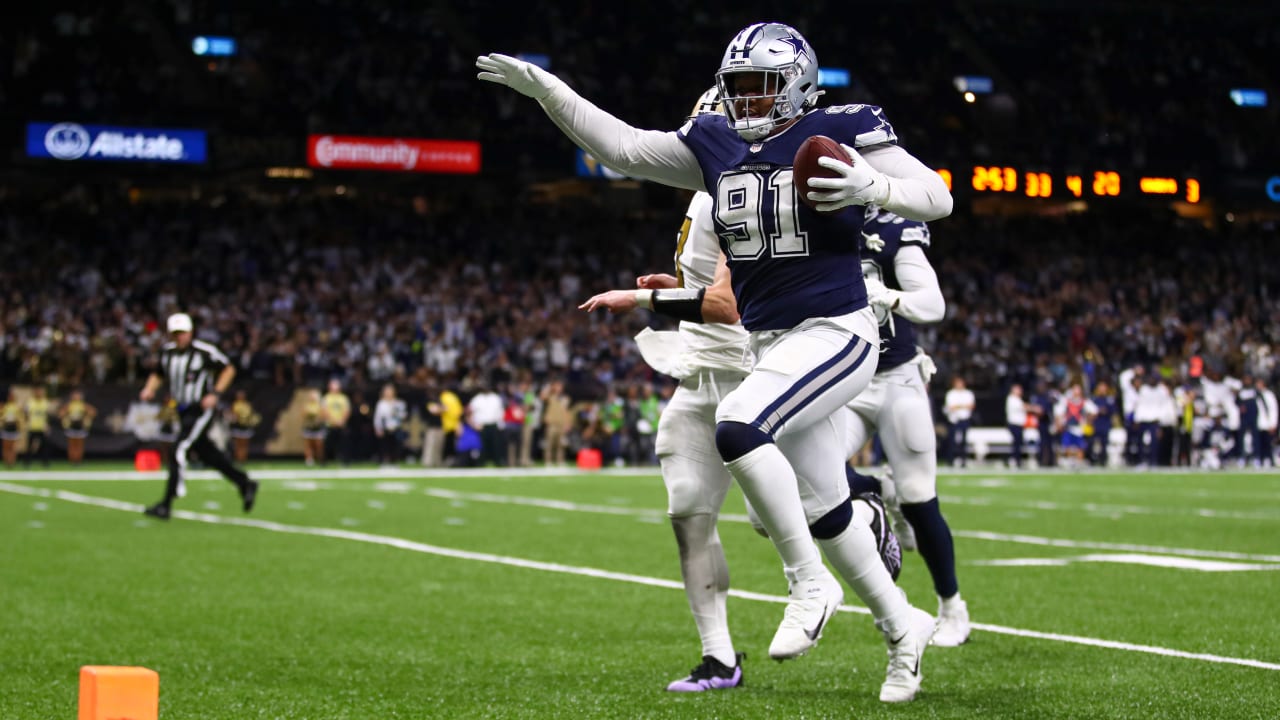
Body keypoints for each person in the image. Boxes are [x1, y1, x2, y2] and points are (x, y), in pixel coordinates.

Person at [552, 28, 952, 694]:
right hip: (770, 344)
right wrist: (546, 88)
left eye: (754, 88)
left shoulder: (838, 128)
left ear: (795, 84)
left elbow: (935, 195)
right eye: (732, 89)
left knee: (739, 425)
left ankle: (807, 585)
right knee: (827, 509)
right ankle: (901, 625)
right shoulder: (713, 156)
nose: (738, 104)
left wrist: (869, 183)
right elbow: (619, 146)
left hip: (834, 331)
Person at [838, 208, 970, 647]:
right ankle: (877, 489)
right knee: (810, 472)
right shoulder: (808, 223)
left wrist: (887, 295)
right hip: (843, 379)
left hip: (897, 379)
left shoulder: (893, 230)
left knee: (919, 497)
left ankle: (952, 607)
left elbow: (932, 305)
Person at [139, 313, 258, 520]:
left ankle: (166, 503)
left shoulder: (204, 352)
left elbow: (228, 369)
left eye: (182, 333)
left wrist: (216, 393)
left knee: (179, 448)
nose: (179, 337)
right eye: (175, 334)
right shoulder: (167, 353)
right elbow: (158, 373)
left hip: (201, 410)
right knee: (208, 455)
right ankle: (245, 483)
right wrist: (149, 389)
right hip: (182, 410)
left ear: (191, 332)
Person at [58, 389, 97, 465]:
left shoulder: (83, 405)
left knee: (79, 445)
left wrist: (86, 417)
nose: (76, 396)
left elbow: (93, 412)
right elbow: (61, 414)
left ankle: (78, 460)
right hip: (72, 426)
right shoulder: (69, 405)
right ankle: (72, 460)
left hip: (80, 426)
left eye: (78, 395)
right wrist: (67, 417)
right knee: (72, 444)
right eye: (75, 395)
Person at [942, 377, 974, 468]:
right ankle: (950, 460)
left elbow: (971, 406)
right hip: (954, 420)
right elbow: (951, 407)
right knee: (952, 441)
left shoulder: (968, 393)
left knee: (964, 441)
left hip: (964, 419)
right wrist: (963, 406)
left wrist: (958, 406)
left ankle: (963, 461)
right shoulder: (951, 394)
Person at [373, 383, 407, 466]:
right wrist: (378, 428)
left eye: (390, 391)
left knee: (396, 445)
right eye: (387, 391)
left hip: (396, 427)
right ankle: (385, 460)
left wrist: (396, 413)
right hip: (385, 427)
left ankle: (395, 461)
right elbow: (378, 417)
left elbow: (404, 415)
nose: (388, 393)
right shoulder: (381, 403)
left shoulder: (399, 403)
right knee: (384, 445)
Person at [321, 378, 351, 466]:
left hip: (341, 425)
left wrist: (342, 421)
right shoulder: (326, 398)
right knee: (327, 444)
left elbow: (347, 410)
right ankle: (324, 461)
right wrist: (333, 421)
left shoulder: (343, 398)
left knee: (344, 444)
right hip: (330, 425)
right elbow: (324, 411)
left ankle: (345, 461)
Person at [226, 389, 260, 463]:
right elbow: (231, 416)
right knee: (237, 445)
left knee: (244, 445)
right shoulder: (234, 404)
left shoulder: (248, 405)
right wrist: (233, 417)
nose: (240, 396)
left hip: (245, 427)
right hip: (237, 427)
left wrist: (251, 420)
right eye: (239, 395)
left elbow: (252, 415)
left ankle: (243, 459)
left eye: (242, 395)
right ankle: (237, 459)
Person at [23, 386, 52, 468]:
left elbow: (48, 415)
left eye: (41, 392)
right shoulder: (30, 402)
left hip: (42, 427)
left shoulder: (45, 402)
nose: (39, 393)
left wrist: (47, 425)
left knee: (44, 446)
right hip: (32, 427)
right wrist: (27, 422)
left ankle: (45, 463)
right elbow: (25, 413)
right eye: (38, 392)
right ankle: (27, 462)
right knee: (30, 446)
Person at [301, 388, 326, 466]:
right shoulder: (307, 405)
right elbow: (303, 415)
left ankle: (320, 459)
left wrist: (317, 416)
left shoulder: (320, 405)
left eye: (314, 396)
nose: (313, 397)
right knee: (308, 444)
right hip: (309, 427)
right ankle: (309, 460)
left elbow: (323, 415)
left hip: (317, 427)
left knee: (319, 444)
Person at [1255, 377, 1277, 467]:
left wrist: (1273, 423)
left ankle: (1270, 459)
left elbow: (1273, 410)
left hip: (1267, 424)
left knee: (1268, 443)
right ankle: (1260, 459)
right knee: (1259, 443)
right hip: (1258, 423)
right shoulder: (1255, 395)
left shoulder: (1269, 395)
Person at [1005, 384, 1027, 468]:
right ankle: (1015, 460)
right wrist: (1035, 408)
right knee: (1016, 443)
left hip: (1019, 424)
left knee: (1018, 443)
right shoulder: (1012, 399)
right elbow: (1023, 407)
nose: (1020, 391)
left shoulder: (1018, 399)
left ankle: (1016, 459)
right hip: (1014, 424)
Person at [1, 389, 21, 467]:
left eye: (12, 396)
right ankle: (6, 461)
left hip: (13, 428)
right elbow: (2, 417)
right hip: (6, 427)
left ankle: (12, 462)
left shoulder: (17, 407)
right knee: (6, 446)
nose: (11, 398)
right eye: (10, 396)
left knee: (12, 447)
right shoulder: (5, 407)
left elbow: (19, 418)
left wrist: (19, 426)